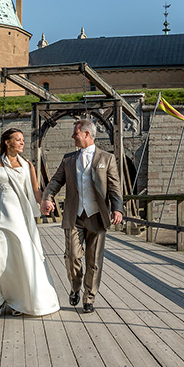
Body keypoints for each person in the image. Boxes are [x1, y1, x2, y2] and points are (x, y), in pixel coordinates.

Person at [0, 128, 59, 318]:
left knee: (19, 260)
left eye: (22, 140)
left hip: (19, 218)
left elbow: (36, 191)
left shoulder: (28, 165)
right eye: (18, 140)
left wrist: (44, 201)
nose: (22, 143)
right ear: (7, 142)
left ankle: (16, 301)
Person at [41, 119, 123, 313]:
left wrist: (117, 209)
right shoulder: (68, 159)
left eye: (75, 133)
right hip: (74, 215)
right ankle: (75, 287)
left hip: (97, 216)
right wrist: (47, 197)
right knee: (71, 257)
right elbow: (55, 181)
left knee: (94, 260)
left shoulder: (107, 159)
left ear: (87, 134)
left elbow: (115, 187)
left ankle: (89, 298)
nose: (72, 137)